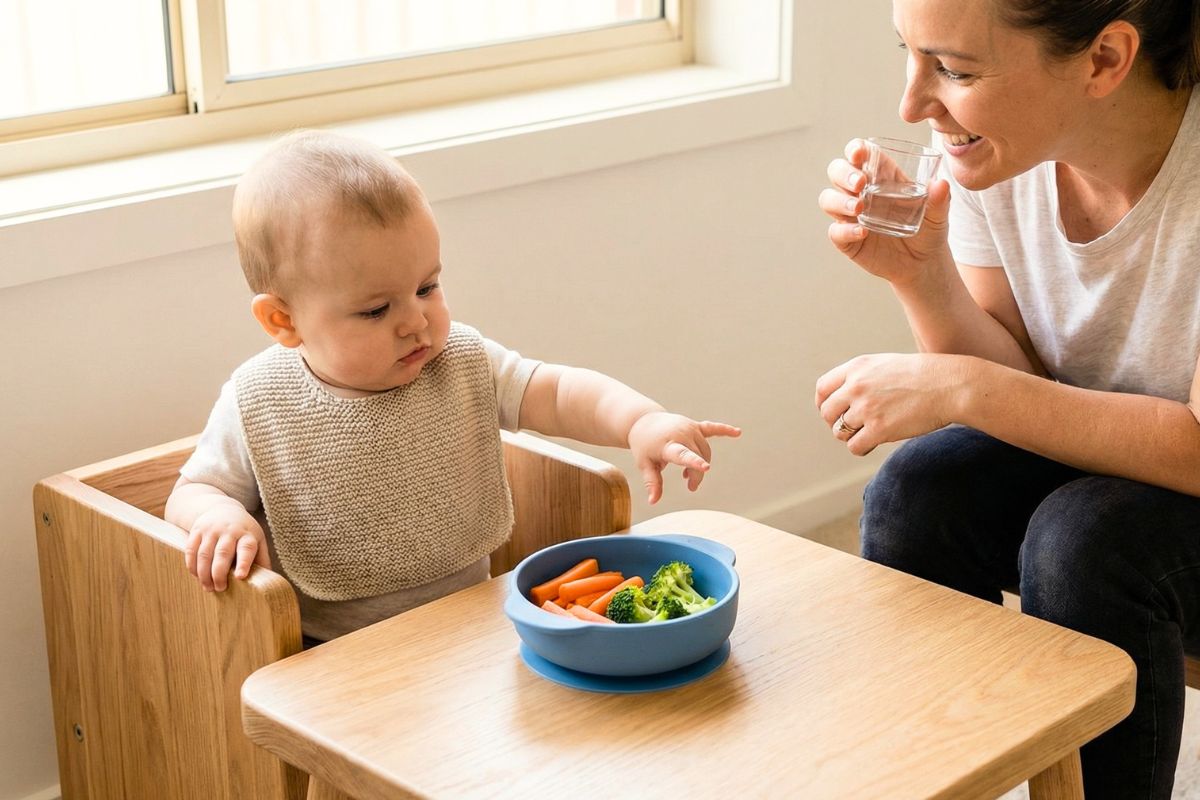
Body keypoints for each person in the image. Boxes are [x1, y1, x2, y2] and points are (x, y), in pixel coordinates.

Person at [815, 1, 1200, 796]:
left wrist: (961, 385)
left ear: (1103, 59)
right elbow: (1017, 380)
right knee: (919, 487)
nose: (913, 104)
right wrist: (919, 276)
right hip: (1117, 471)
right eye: (910, 56)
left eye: (953, 70)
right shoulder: (994, 153)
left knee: (1087, 543)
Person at [165, 130, 739, 644]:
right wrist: (217, 516)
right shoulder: (259, 400)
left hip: (473, 629)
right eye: (374, 310)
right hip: (333, 658)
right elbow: (190, 492)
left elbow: (556, 391)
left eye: (427, 287)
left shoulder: (458, 360)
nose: (414, 320)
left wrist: (639, 420)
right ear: (283, 321)